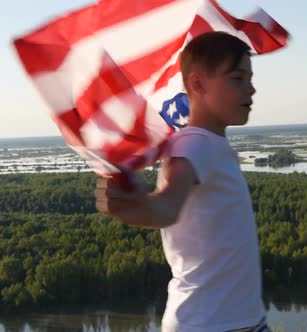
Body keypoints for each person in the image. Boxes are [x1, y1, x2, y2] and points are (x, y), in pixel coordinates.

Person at [95, 31, 270, 332]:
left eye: (250, 78)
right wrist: (138, 205)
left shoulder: (210, 144)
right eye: (237, 78)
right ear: (197, 84)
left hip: (242, 322)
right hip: (209, 324)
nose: (251, 89)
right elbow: (167, 205)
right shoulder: (194, 144)